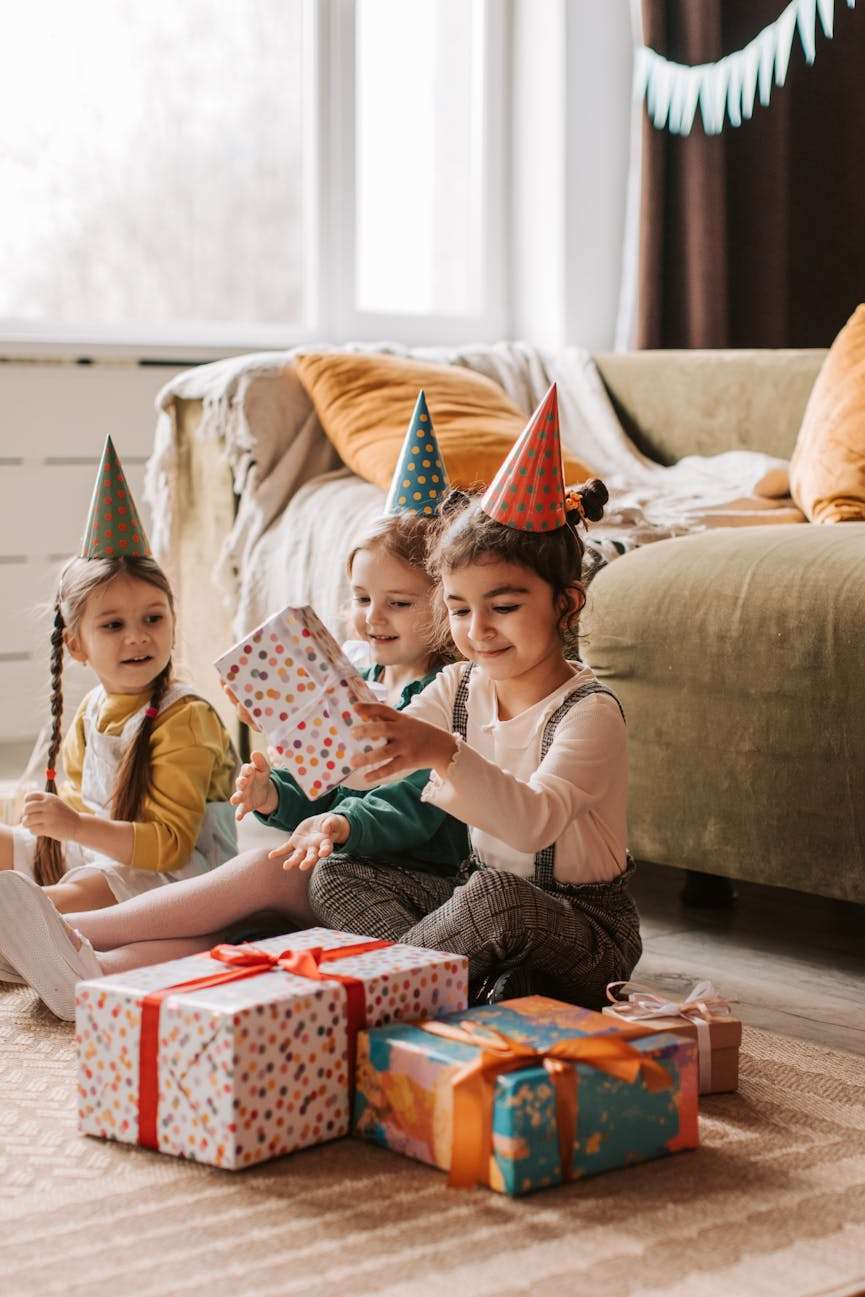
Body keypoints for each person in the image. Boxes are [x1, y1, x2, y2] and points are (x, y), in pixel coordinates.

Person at [0, 394, 468, 1020]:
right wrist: (280, 795)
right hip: (337, 855)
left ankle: (75, 931)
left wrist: (340, 826)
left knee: (259, 872)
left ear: (447, 605)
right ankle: (92, 972)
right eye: (361, 597)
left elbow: (410, 807)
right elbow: (331, 789)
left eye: (399, 604)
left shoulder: (446, 694)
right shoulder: (360, 674)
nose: (371, 618)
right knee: (244, 924)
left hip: (398, 874)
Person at [307, 384, 643, 1008]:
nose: (479, 630)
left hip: (585, 931)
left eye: (505, 607)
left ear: (566, 603)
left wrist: (440, 751)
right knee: (339, 873)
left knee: (495, 898)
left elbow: (532, 824)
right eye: (460, 610)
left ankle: (397, 993)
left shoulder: (590, 712)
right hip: (476, 906)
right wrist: (296, 722)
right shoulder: (458, 686)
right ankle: (459, 987)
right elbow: (369, 760)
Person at [0, 438, 237, 914]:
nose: (137, 638)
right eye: (113, 625)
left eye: (153, 618)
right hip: (99, 854)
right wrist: (57, 826)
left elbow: (170, 847)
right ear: (76, 644)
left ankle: (25, 924)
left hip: (176, 878)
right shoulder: (94, 711)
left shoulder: (185, 718)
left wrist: (75, 830)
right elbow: (76, 803)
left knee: (58, 902)